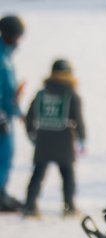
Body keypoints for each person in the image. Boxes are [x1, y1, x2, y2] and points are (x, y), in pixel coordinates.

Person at [22, 59, 85, 218]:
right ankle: (69, 206)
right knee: (67, 175)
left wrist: (31, 134)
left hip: (43, 140)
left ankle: (30, 205)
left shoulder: (42, 93)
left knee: (38, 174)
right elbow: (78, 119)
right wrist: (82, 138)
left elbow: (30, 116)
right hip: (64, 140)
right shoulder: (71, 95)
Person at [0, 15, 25, 211]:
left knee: (7, 155)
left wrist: (18, 111)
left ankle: (2, 191)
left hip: (7, 114)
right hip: (1, 117)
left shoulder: (6, 55)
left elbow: (8, 90)